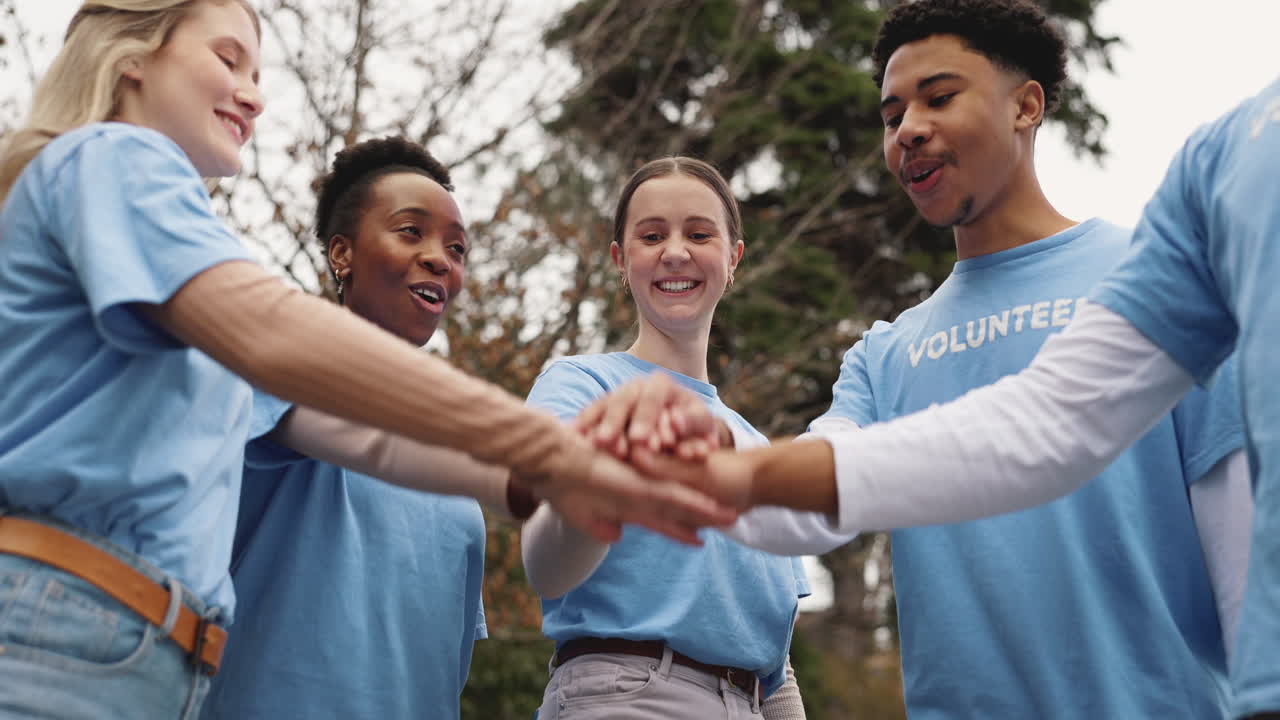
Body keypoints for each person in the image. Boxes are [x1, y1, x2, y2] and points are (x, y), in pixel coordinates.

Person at [0, 2, 735, 717]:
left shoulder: (176, 287)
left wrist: (560, 477)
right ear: (132, 54)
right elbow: (275, 335)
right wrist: (552, 450)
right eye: (229, 59)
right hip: (68, 622)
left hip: (144, 656)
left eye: (260, 73)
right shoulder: (114, 155)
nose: (253, 94)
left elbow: (367, 436)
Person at [575, 2, 1252, 717]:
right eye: (892, 114)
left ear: (1026, 106)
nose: (909, 132)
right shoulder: (884, 353)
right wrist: (701, 454)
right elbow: (803, 518)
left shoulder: (1160, 284)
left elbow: (1241, 538)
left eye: (939, 97)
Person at [200, 137, 497, 719]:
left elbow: (440, 674)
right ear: (343, 253)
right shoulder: (278, 371)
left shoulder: (460, 484)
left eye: (456, 247)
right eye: (411, 231)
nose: (441, 258)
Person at [520, 157, 809, 720]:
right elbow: (547, 561)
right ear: (620, 261)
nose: (675, 251)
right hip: (629, 695)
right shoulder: (582, 385)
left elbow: (775, 665)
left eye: (699, 234)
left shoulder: (756, 448)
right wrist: (604, 476)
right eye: (652, 236)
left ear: (734, 260)